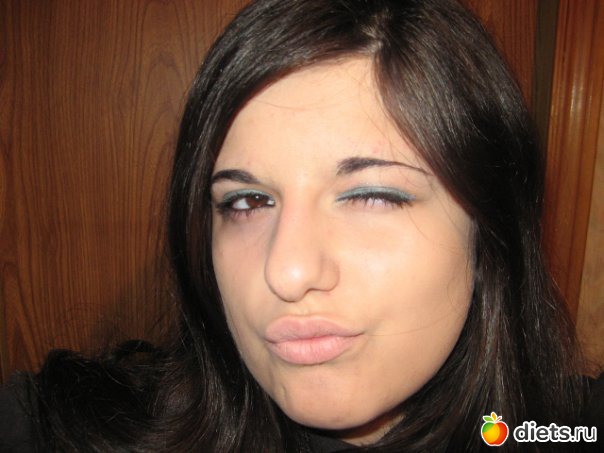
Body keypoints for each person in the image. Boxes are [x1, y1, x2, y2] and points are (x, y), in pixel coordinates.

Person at [1, 0, 600, 451]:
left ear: (489, 232)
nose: (286, 272)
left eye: (371, 195)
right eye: (247, 201)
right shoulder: (50, 425)